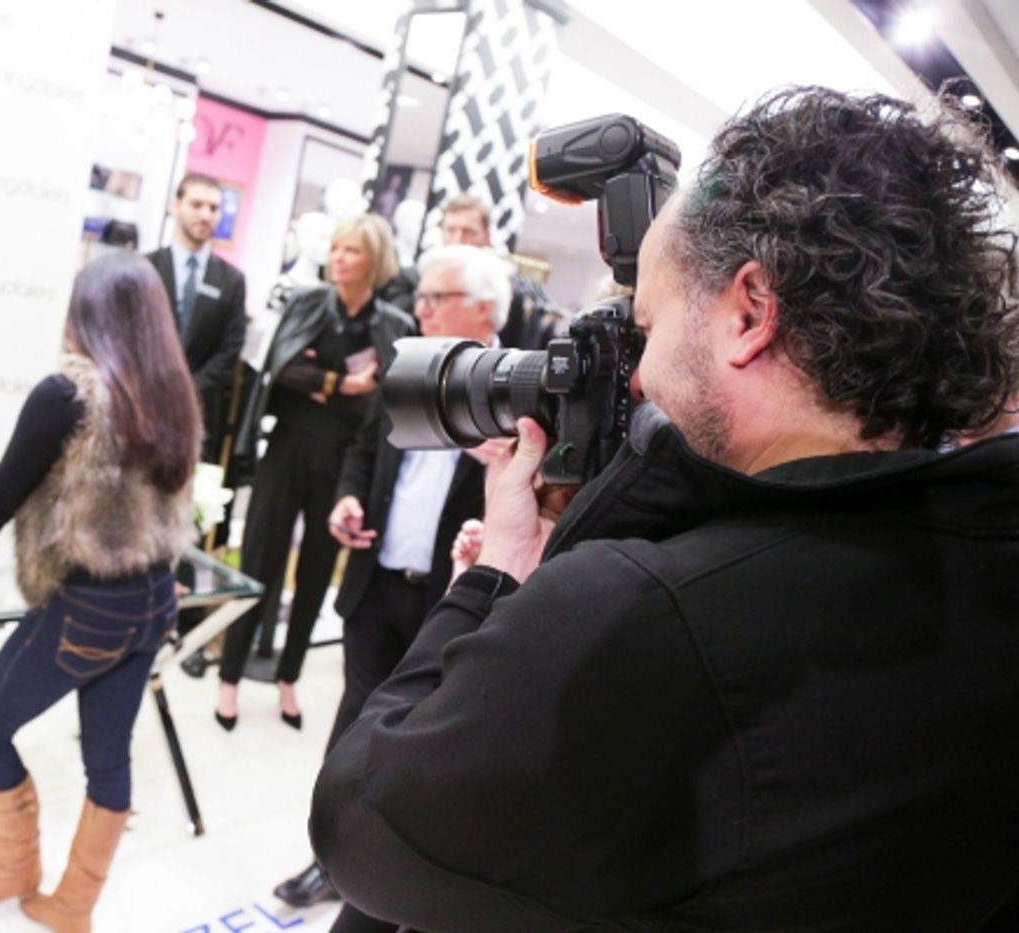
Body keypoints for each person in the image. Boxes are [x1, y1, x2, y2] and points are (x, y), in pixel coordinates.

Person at [311, 86, 1019, 931]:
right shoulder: (981, 557)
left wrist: (496, 578)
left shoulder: (641, 615)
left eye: (648, 326)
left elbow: (366, 827)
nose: (637, 378)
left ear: (750, 314)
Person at [0, 254, 199, 930]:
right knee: (107, 754)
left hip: (91, 604)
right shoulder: (168, 391)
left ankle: (15, 866)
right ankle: (74, 904)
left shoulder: (69, 392)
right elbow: (70, 491)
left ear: (85, 314)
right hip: (154, 600)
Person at [274, 244, 506, 919]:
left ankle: (397, 873)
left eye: (437, 297)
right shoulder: (406, 365)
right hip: (376, 581)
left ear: (484, 308)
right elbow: (364, 452)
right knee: (352, 725)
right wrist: (347, 499)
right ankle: (331, 860)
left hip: (451, 599)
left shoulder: (518, 386)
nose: (420, 307)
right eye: (421, 296)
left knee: (425, 743)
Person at [219, 213, 414, 731]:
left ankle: (288, 678)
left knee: (313, 579)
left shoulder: (393, 324)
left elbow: (383, 402)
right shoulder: (306, 303)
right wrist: (341, 383)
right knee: (258, 562)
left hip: (342, 466)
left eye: (350, 250)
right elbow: (280, 371)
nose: (338, 258)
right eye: (336, 248)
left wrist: (318, 382)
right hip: (285, 452)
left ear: (372, 261)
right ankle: (230, 679)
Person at [144, 172, 248, 463]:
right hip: (144, 403)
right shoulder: (146, 268)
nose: (206, 215)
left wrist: (190, 388)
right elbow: (131, 335)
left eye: (214, 208)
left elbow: (231, 348)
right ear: (175, 206)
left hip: (200, 410)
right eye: (197, 204)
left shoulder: (231, 280)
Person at [435, 193, 554, 349]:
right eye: (451, 230)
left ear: (486, 236)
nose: (458, 240)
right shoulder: (419, 285)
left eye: (468, 231)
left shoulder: (510, 297)